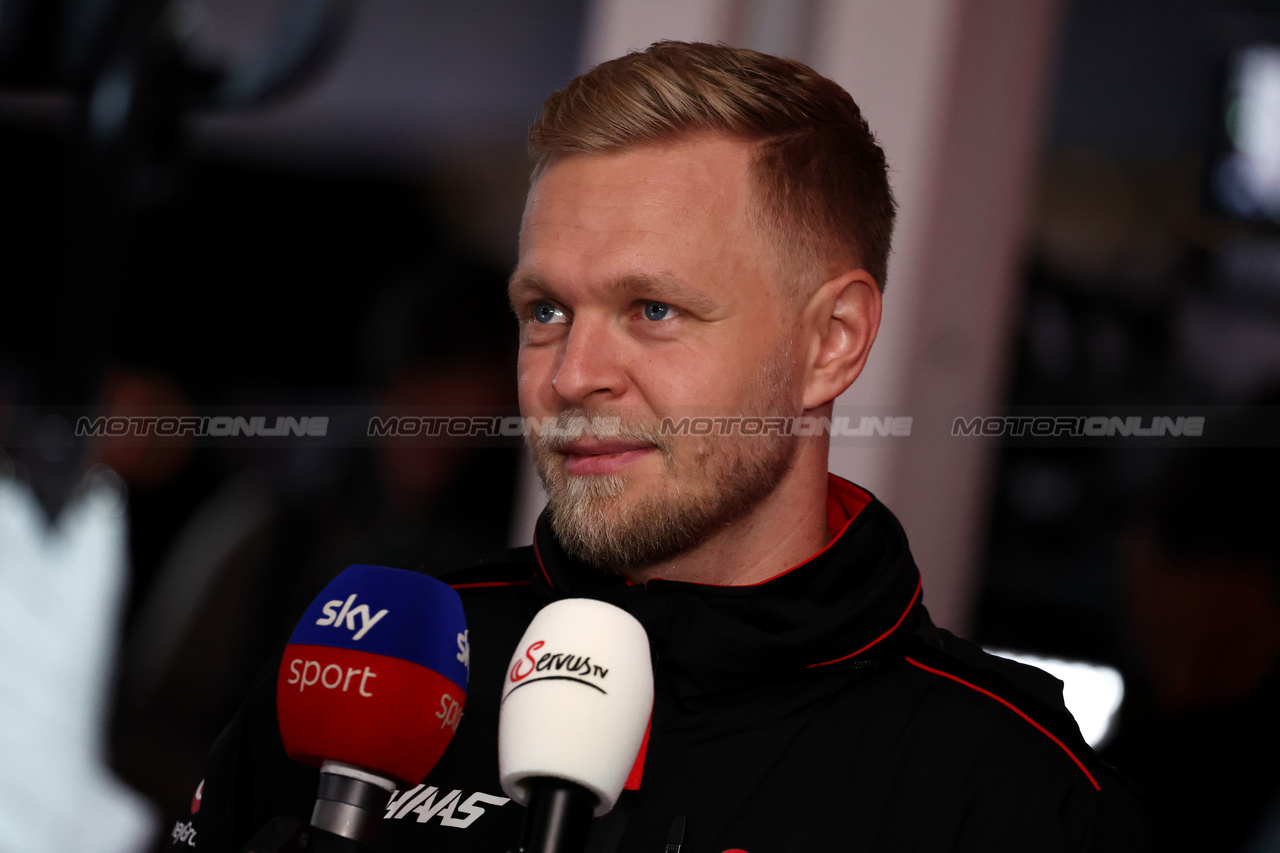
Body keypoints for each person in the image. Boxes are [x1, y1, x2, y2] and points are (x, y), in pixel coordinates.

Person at [170, 41, 1147, 852]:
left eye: (652, 308)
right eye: (545, 309)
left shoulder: (1003, 783)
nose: (570, 375)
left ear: (830, 341)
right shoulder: (380, 666)